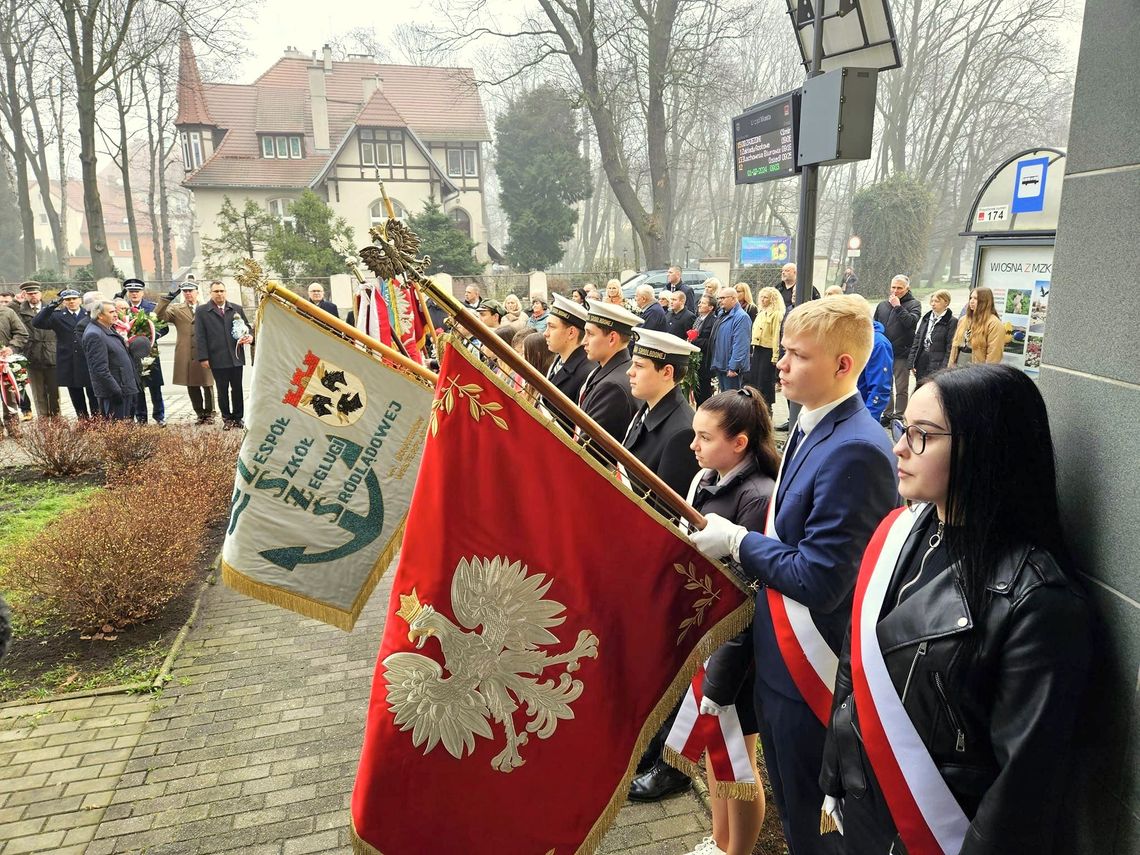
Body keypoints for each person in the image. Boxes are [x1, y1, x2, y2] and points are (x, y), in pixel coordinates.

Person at [820, 365, 1091, 855]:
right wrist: (836, 774)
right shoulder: (901, 530)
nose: (898, 447)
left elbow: (1023, 788)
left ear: (985, 447)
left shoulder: (1037, 598)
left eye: (922, 435)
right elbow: (855, 662)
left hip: (936, 830)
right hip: (867, 803)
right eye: (903, 427)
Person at [688, 294, 898, 855]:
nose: (779, 364)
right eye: (782, 351)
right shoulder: (812, 423)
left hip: (814, 663)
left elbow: (821, 576)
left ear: (843, 365)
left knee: (814, 821)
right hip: (779, 652)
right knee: (791, 802)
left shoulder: (856, 447)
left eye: (796, 355)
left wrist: (736, 540)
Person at [673, 387, 780, 855]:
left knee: (739, 761)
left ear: (739, 443)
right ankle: (720, 841)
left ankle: (738, 850)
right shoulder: (708, 479)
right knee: (719, 756)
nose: (693, 446)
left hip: (740, 648)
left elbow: (752, 587)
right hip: (713, 636)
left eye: (705, 437)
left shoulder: (756, 497)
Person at [622, 327, 702, 495]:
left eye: (639, 366)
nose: (630, 372)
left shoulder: (682, 433)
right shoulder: (648, 408)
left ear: (667, 372)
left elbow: (666, 512)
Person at [578, 299, 642, 440]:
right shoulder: (606, 370)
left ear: (612, 338)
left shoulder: (613, 387)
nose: (584, 341)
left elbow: (590, 448)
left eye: (590, 334)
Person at [195, 280, 254, 430]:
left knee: (237, 389)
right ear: (211, 293)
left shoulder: (236, 309)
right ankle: (227, 418)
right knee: (222, 390)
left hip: (236, 357)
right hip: (217, 357)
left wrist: (250, 337)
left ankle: (238, 417)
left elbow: (247, 327)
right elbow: (200, 335)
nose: (219, 294)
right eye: (216, 291)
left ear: (225, 292)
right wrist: (203, 357)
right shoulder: (202, 311)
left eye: (222, 291)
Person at [157, 281, 216, 424]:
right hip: (186, 352)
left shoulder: (207, 307)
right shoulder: (177, 309)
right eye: (185, 291)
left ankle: (210, 413)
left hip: (204, 350)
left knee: (207, 383)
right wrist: (166, 300)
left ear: (197, 291)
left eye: (191, 290)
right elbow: (159, 316)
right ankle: (199, 413)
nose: (188, 293)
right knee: (192, 383)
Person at [33, 288, 97, 419]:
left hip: (87, 358)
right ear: (63, 302)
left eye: (74, 298)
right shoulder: (57, 316)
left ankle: (96, 420)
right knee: (75, 393)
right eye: (67, 299)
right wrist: (50, 307)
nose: (71, 302)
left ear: (80, 300)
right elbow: (37, 322)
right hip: (69, 360)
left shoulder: (89, 314)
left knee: (93, 392)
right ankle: (83, 420)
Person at [872, 274, 921, 425]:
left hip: (902, 352)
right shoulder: (882, 305)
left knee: (901, 387)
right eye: (893, 287)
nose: (896, 290)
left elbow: (911, 322)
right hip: (885, 352)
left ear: (907, 288)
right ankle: (887, 413)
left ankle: (899, 415)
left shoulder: (914, 304)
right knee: (885, 385)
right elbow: (876, 325)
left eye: (899, 288)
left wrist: (898, 307)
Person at [541, 293, 594, 430]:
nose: (545, 333)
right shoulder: (559, 360)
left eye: (552, 327)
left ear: (571, 333)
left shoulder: (586, 372)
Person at [82, 300, 139, 420]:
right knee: (117, 431)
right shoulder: (94, 334)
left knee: (126, 428)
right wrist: (116, 391)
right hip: (115, 393)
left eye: (115, 311)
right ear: (100, 315)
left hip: (125, 388)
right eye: (111, 312)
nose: (115, 314)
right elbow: (100, 369)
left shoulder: (107, 328)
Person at [121, 279, 167, 425]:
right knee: (137, 387)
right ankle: (141, 417)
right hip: (131, 354)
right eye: (131, 292)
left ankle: (159, 416)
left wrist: (152, 336)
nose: (134, 294)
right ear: (127, 293)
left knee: (155, 386)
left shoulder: (152, 308)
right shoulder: (122, 308)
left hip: (150, 352)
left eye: (137, 291)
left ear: (142, 292)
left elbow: (164, 327)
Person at [15, 283, 59, 418]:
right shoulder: (19, 310)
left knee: (54, 392)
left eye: (35, 293)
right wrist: (16, 301)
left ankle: (57, 419)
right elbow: (7, 313)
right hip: (32, 355)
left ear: (40, 294)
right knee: (38, 393)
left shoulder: (53, 308)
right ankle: (43, 421)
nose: (33, 296)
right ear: (25, 295)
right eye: (29, 294)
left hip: (51, 353)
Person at [908, 288, 955, 383]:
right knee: (920, 385)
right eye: (932, 301)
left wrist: (944, 367)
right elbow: (917, 340)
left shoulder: (951, 321)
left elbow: (950, 347)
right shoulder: (926, 318)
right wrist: (912, 362)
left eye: (937, 301)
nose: (933, 304)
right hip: (922, 359)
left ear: (946, 303)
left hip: (938, 361)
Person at [950, 287, 1005, 366]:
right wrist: (950, 369)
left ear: (985, 301)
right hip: (959, 366)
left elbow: (994, 355)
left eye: (975, 298)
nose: (971, 301)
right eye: (970, 298)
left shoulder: (994, 324)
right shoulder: (963, 320)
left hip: (977, 369)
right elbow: (954, 349)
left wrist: (984, 375)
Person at [749, 287, 784, 411]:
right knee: (755, 379)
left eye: (766, 297)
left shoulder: (776, 314)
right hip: (758, 348)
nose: (763, 300)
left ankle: (767, 407)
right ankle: (757, 405)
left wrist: (775, 355)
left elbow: (776, 336)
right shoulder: (761, 313)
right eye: (761, 297)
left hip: (768, 350)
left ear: (772, 299)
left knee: (765, 380)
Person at [711, 286, 751, 392]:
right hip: (721, 365)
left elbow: (741, 344)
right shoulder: (722, 314)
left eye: (723, 298)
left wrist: (734, 367)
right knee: (725, 400)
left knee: (733, 400)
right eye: (719, 298)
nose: (720, 301)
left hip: (731, 369)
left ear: (733, 298)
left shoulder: (741, 317)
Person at [857, 320, 894, 422]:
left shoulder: (878, 343)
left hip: (862, 411)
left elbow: (880, 389)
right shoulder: (849, 338)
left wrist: (868, 420)